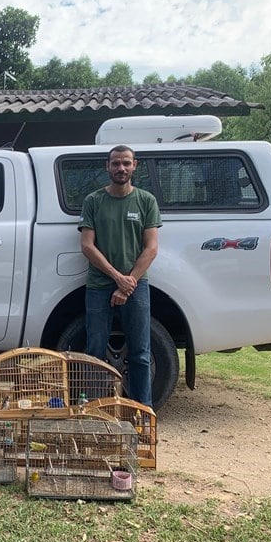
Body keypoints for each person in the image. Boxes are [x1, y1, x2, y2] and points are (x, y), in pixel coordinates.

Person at [78, 145, 161, 408]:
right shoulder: (93, 201)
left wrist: (127, 284)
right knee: (94, 353)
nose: (121, 168)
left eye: (126, 163)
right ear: (107, 167)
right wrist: (117, 278)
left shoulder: (146, 201)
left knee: (140, 353)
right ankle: (97, 410)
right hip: (99, 286)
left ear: (135, 165)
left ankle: (142, 411)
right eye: (115, 163)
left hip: (136, 286)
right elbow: (87, 246)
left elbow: (151, 247)